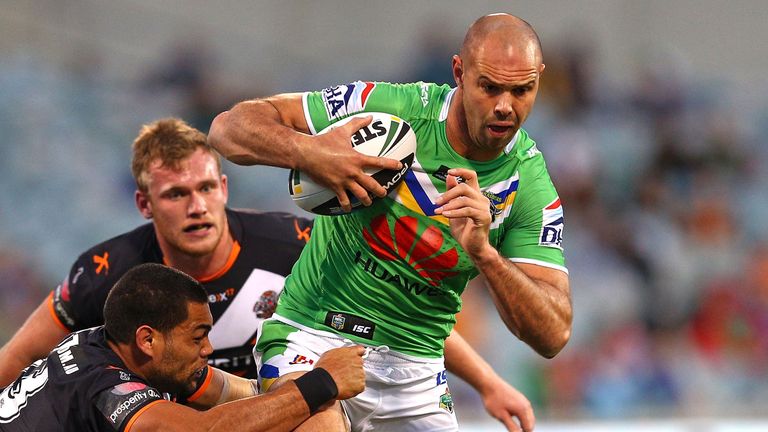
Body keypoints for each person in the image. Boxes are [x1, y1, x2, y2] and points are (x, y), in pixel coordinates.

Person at [0, 118, 534, 429]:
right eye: (176, 194)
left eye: (205, 188)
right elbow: (20, 358)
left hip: (242, 405)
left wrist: (488, 382)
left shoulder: (289, 244)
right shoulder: (109, 274)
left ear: (224, 188)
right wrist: (319, 382)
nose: (197, 207)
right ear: (145, 204)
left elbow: (388, 314)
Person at [208, 13, 571, 432]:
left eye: (522, 90)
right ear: (459, 73)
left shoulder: (529, 184)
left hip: (417, 375)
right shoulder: (392, 110)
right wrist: (312, 152)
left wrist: (484, 254)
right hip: (315, 337)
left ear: (540, 79)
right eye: (489, 87)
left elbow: (553, 335)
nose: (505, 106)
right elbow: (228, 129)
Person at [0, 263, 366, 431]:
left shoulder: (114, 345)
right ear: (147, 339)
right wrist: (321, 382)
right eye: (197, 336)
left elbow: (226, 390)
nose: (208, 348)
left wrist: (285, 384)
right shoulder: (104, 387)